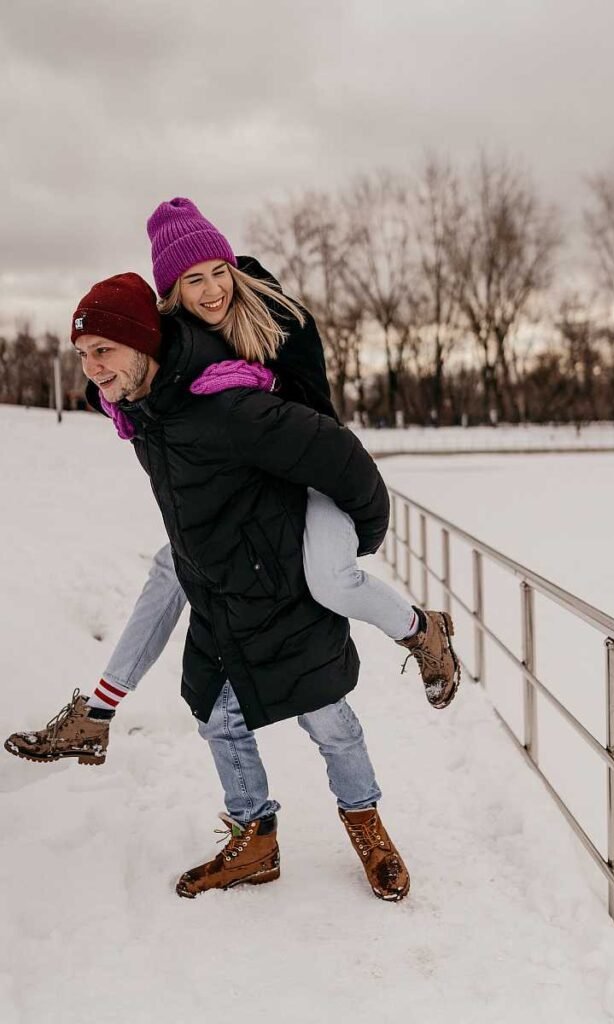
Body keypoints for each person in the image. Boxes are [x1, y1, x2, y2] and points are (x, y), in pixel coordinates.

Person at [7, 274, 417, 901]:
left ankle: (366, 822)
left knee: (328, 717)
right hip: (215, 588)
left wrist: (356, 542)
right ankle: (255, 836)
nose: (91, 370)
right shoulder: (142, 410)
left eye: (102, 352)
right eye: (82, 355)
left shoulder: (226, 405)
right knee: (220, 720)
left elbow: (342, 459)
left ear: (141, 344)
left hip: (278, 587)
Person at [5, 198, 459, 761]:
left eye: (220, 272)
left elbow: (314, 424)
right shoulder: (183, 333)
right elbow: (150, 379)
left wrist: (255, 390)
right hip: (253, 489)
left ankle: (422, 630)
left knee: (331, 580)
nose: (213, 290)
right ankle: (97, 712)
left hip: (311, 474)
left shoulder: (280, 320)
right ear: (173, 293)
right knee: (170, 569)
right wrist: (115, 394)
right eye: (194, 280)